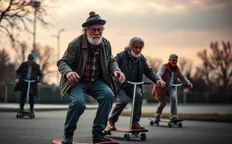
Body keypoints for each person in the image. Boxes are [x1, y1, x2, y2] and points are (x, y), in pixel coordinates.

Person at [57, 11, 126, 144]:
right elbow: (62, 62)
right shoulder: (75, 44)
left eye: (99, 30)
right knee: (78, 103)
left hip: (96, 81)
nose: (96, 33)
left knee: (108, 95)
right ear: (86, 31)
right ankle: (68, 133)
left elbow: (110, 61)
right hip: (77, 81)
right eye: (93, 30)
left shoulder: (105, 44)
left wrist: (117, 70)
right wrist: (68, 72)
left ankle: (98, 133)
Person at [107, 37, 166, 130]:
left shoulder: (142, 59)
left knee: (139, 96)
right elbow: (112, 66)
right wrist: (116, 74)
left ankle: (135, 123)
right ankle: (111, 121)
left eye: (140, 48)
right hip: (119, 85)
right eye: (136, 47)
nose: (138, 50)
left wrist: (157, 79)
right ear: (130, 47)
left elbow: (148, 71)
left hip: (133, 85)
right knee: (123, 101)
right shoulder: (121, 56)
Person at [152, 54, 193, 122]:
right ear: (169, 60)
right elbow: (159, 74)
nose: (174, 62)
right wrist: (161, 81)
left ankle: (173, 116)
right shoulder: (164, 67)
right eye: (173, 60)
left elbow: (182, 76)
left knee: (174, 98)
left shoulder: (176, 69)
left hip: (171, 87)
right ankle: (157, 115)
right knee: (163, 103)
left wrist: (188, 82)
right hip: (162, 87)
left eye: (176, 61)